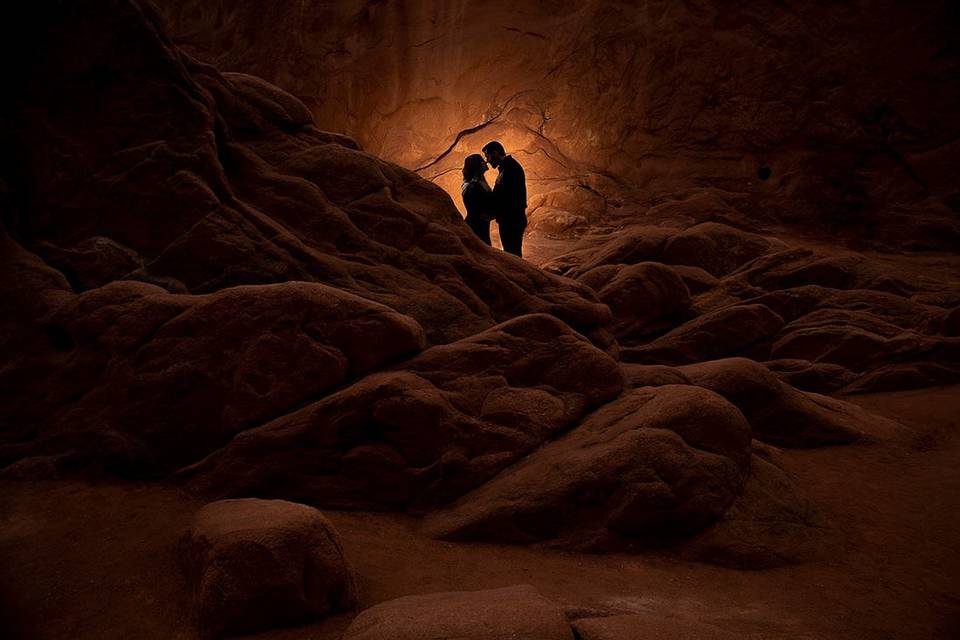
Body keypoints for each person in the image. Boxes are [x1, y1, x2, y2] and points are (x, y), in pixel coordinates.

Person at [482, 140, 527, 257]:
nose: (487, 161)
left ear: (496, 153)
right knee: (512, 253)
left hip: (512, 220)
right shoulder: (507, 167)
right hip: (510, 219)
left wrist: (492, 213)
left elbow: (508, 198)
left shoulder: (511, 169)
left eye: (488, 156)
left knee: (513, 255)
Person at [460, 153, 494, 245]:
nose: (486, 162)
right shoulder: (472, 185)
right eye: (482, 161)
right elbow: (474, 208)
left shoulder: (479, 182)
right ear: (476, 165)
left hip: (481, 225)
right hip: (475, 227)